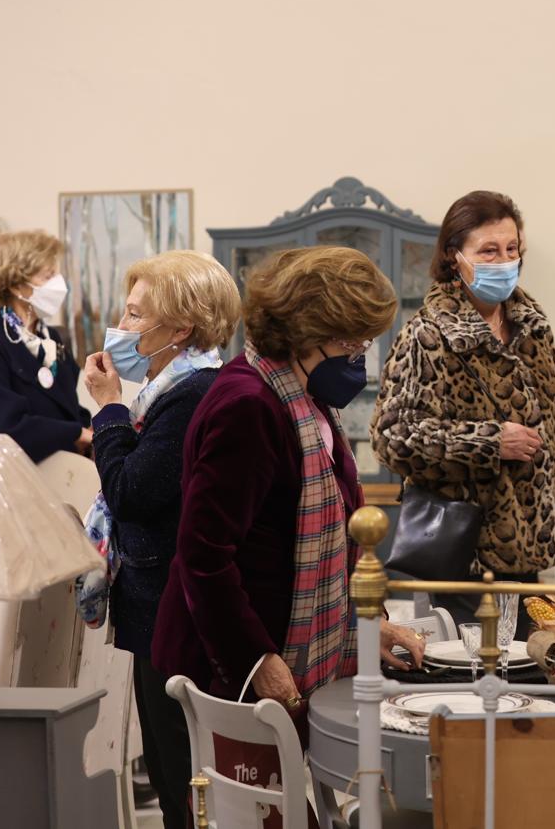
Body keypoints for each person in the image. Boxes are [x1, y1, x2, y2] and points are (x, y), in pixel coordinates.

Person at [152, 247, 422, 725]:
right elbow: (204, 555)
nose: (359, 360)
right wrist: (258, 660)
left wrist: (365, 627)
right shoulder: (249, 405)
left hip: (276, 652)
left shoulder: (305, 398)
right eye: (349, 345)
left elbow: (334, 531)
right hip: (228, 674)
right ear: (304, 334)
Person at [371, 190, 555, 629]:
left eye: (511, 249)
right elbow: (391, 435)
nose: (503, 260)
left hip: (530, 555)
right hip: (464, 553)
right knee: (481, 686)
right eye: (488, 250)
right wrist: (491, 442)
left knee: (535, 683)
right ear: (455, 256)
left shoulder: (532, 324)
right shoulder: (429, 334)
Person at [76, 251, 239, 829]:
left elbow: (131, 493)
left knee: (181, 780)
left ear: (181, 328)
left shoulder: (189, 395)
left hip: (174, 612)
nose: (122, 327)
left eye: (136, 315)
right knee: (174, 771)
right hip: (160, 604)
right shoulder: (171, 389)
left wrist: (109, 409)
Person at [0, 229, 90, 460]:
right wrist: (76, 433)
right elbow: (5, 427)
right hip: (22, 478)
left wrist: (96, 432)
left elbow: (68, 407)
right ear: (15, 285)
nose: (58, 284)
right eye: (47, 276)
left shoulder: (50, 337)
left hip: (66, 471)